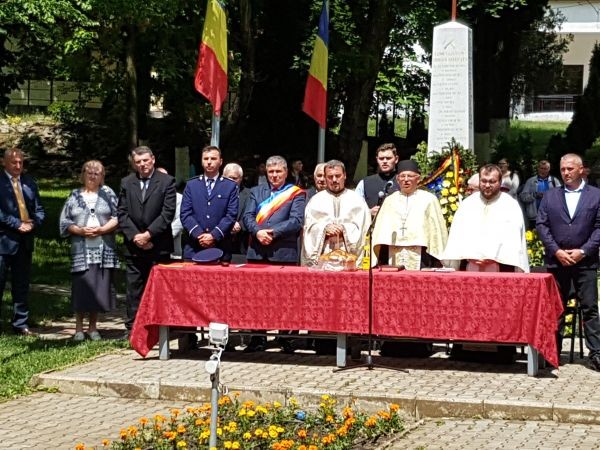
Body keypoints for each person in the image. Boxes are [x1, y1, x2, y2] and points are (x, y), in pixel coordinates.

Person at [537, 153, 600, 371]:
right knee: (556, 308)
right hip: (557, 262)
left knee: (590, 308)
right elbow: (542, 225)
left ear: (581, 170)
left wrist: (583, 251)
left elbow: (599, 227)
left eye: (570, 169)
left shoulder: (596, 195)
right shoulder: (550, 196)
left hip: (585, 262)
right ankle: (552, 352)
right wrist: (556, 251)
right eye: (563, 169)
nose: (566, 173)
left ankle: (596, 354)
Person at [242, 155, 306, 352]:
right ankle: (257, 337)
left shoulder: (296, 193)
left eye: (278, 171)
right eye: (271, 172)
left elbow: (296, 220)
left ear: (286, 172)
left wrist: (273, 232)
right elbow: (247, 216)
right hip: (257, 251)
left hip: (283, 252)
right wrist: (258, 232)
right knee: (256, 297)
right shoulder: (256, 191)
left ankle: (285, 337)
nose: (275, 175)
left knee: (285, 298)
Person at [117, 146, 176, 337]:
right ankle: (133, 329)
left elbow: (167, 213)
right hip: (134, 246)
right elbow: (122, 213)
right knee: (134, 289)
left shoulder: (167, 181)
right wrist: (136, 236)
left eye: (145, 160)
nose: (142, 164)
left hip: (158, 245)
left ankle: (161, 329)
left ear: (153, 159)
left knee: (160, 289)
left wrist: (148, 235)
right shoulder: (127, 183)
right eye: (138, 162)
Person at [59, 160, 119, 341]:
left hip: (103, 248)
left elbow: (118, 216)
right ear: (83, 174)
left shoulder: (108, 193)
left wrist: (102, 229)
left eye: (97, 173)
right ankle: (78, 328)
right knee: (81, 288)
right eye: (89, 173)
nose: (92, 176)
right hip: (81, 249)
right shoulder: (75, 195)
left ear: (102, 177)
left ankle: (93, 327)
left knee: (98, 288)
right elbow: (65, 221)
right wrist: (80, 231)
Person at [443, 164, 529, 273]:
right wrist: (471, 255)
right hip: (469, 265)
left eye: (492, 181)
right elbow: (457, 236)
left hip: (502, 268)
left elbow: (514, 239)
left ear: (500, 182)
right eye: (483, 181)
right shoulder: (467, 204)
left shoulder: (510, 205)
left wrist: (493, 257)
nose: (487, 185)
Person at [371, 159, 447, 270]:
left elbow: (436, 231)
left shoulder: (429, 199)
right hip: (393, 253)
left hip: (422, 254)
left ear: (418, 178)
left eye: (410, 176)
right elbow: (380, 230)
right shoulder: (389, 200)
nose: (406, 180)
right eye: (402, 176)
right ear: (397, 179)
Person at [0, 148, 45, 335]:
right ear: (4, 162)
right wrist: (17, 224)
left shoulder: (29, 182)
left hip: (25, 241)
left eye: (21, 162)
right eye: (14, 162)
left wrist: (34, 223)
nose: (18, 166)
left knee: (21, 285)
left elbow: (39, 209)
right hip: (4, 241)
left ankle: (20, 323)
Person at [301, 160, 371, 267]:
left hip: (349, 261)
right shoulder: (315, 201)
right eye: (330, 177)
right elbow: (308, 229)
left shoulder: (357, 200)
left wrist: (344, 229)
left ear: (344, 175)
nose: (334, 180)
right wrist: (324, 228)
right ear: (325, 178)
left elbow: (364, 229)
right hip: (323, 259)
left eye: (338, 176)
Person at [180, 146, 238, 263]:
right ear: (202, 161)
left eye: (213, 158)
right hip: (193, 247)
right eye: (206, 159)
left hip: (220, 247)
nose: (209, 162)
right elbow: (185, 214)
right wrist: (200, 235)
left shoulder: (230, 186)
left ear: (220, 161)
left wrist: (213, 235)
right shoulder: (191, 185)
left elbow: (231, 215)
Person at [355, 143, 399, 216]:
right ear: (377, 159)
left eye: (388, 158)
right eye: (381, 158)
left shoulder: (403, 182)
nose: (384, 161)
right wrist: (369, 212)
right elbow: (354, 209)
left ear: (396, 159)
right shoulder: (365, 183)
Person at [519, 160, 561, 229]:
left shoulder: (554, 181)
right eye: (541, 168)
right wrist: (535, 195)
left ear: (549, 169)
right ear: (538, 168)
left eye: (545, 169)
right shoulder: (530, 181)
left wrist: (550, 196)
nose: (543, 171)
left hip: (550, 216)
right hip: (534, 218)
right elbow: (523, 197)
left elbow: (561, 197)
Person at [223, 162, 249, 257]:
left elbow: (251, 215)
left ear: (240, 179)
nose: (231, 181)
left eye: (234, 178)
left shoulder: (249, 194)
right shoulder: (215, 193)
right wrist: (228, 224)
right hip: (220, 241)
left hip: (242, 243)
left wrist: (240, 225)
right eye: (229, 178)